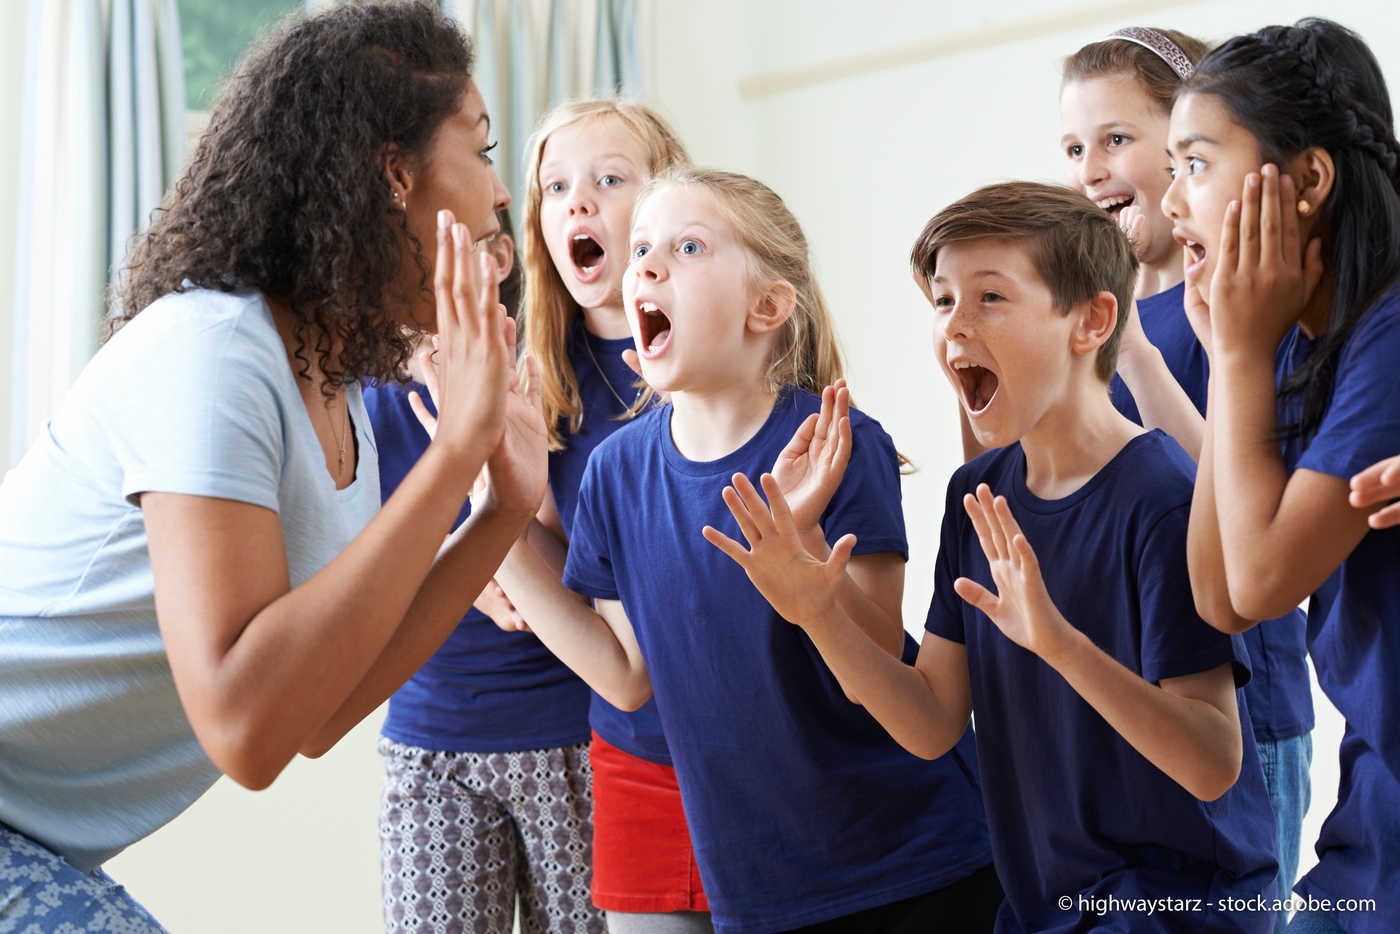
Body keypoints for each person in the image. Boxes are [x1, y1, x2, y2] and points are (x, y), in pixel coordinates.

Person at [0, 5, 545, 930]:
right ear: (394, 175)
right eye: (482, 148)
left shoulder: (337, 393)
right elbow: (242, 728)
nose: (499, 195)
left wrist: (500, 510)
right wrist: (457, 454)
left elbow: (315, 716)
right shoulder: (212, 351)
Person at [712, 181, 1279, 932]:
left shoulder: (1163, 497)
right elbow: (930, 722)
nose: (955, 324)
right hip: (1041, 910)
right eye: (944, 300)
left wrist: (1062, 647)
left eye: (990, 297)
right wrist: (817, 613)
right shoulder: (976, 495)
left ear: (1092, 322)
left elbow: (1213, 762)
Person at [489, 167, 999, 932]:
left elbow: (883, 675)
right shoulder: (615, 473)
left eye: (688, 247)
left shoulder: (838, 443)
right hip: (759, 894)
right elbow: (623, 675)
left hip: (916, 865)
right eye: (641, 250)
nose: (648, 267)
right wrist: (493, 508)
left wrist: (802, 546)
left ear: (768, 306)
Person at [1060, 28, 1313, 918]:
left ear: (1186, 146)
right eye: (1073, 148)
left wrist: (1135, 355)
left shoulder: (1243, 310)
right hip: (1133, 711)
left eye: (1115, 139)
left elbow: (1246, 506)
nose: (1090, 170)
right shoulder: (1095, 329)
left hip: (1243, 711)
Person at [1166, 18, 1400, 934]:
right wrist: (1237, 358)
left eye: (1196, 163)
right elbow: (1220, 599)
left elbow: (1262, 579)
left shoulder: (1388, 332)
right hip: (1373, 829)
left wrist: (1236, 354)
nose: (1172, 199)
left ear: (1308, 181)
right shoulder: (1300, 346)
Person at [366, 207, 602, 934]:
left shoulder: (552, 377)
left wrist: (508, 548)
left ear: (497, 264)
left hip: (578, 736)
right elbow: (349, 578)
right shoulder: (359, 407)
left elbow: (597, 559)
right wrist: (468, 579)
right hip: (430, 745)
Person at [519, 99, 709, 933]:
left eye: (608, 180)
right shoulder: (539, 380)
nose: (579, 204)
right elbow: (566, 564)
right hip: (637, 756)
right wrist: (493, 506)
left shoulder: (730, 353)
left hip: (761, 739)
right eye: (557, 188)